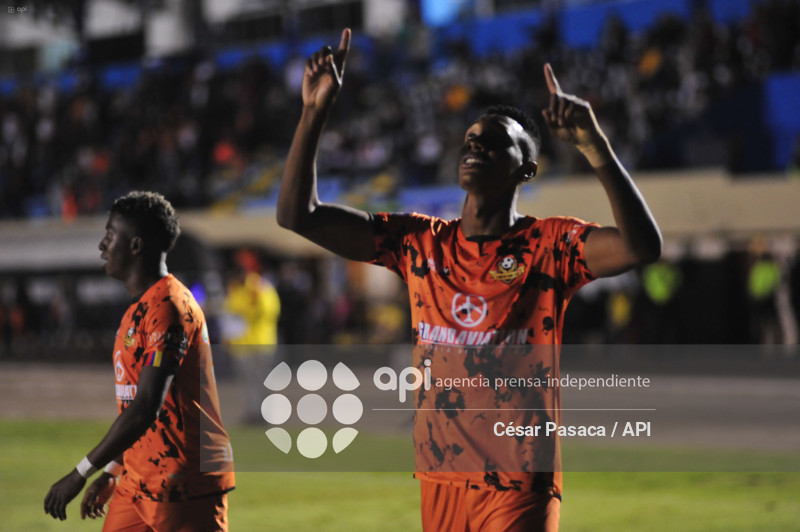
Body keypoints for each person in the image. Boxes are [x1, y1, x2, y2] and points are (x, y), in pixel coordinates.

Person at [277, 29, 661, 532]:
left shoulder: (548, 246)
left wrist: (596, 148)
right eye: (470, 140)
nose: (475, 145)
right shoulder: (418, 242)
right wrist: (313, 112)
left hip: (518, 478)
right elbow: (297, 216)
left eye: (496, 141)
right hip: (441, 475)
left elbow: (640, 247)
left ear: (527, 170)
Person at [44, 191, 235, 531]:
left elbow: (148, 404)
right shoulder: (138, 309)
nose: (102, 246)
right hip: (139, 479)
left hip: (183, 480)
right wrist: (114, 471)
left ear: (135, 245)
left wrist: (80, 473)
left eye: (109, 235)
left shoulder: (169, 307)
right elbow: (137, 408)